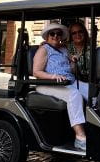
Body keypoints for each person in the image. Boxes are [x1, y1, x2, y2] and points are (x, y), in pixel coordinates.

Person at [32, 22, 87, 151]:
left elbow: (70, 70)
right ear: (47, 36)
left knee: (93, 91)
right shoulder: (43, 49)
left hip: (67, 82)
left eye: (59, 33)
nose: (56, 36)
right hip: (48, 84)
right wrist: (52, 76)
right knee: (74, 95)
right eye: (52, 33)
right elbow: (36, 72)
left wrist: (73, 62)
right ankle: (80, 137)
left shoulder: (63, 49)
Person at [67, 21, 92, 101]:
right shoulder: (66, 48)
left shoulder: (91, 48)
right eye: (74, 33)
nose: (77, 35)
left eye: (80, 31)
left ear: (84, 32)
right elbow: (53, 44)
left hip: (90, 82)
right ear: (70, 35)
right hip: (71, 83)